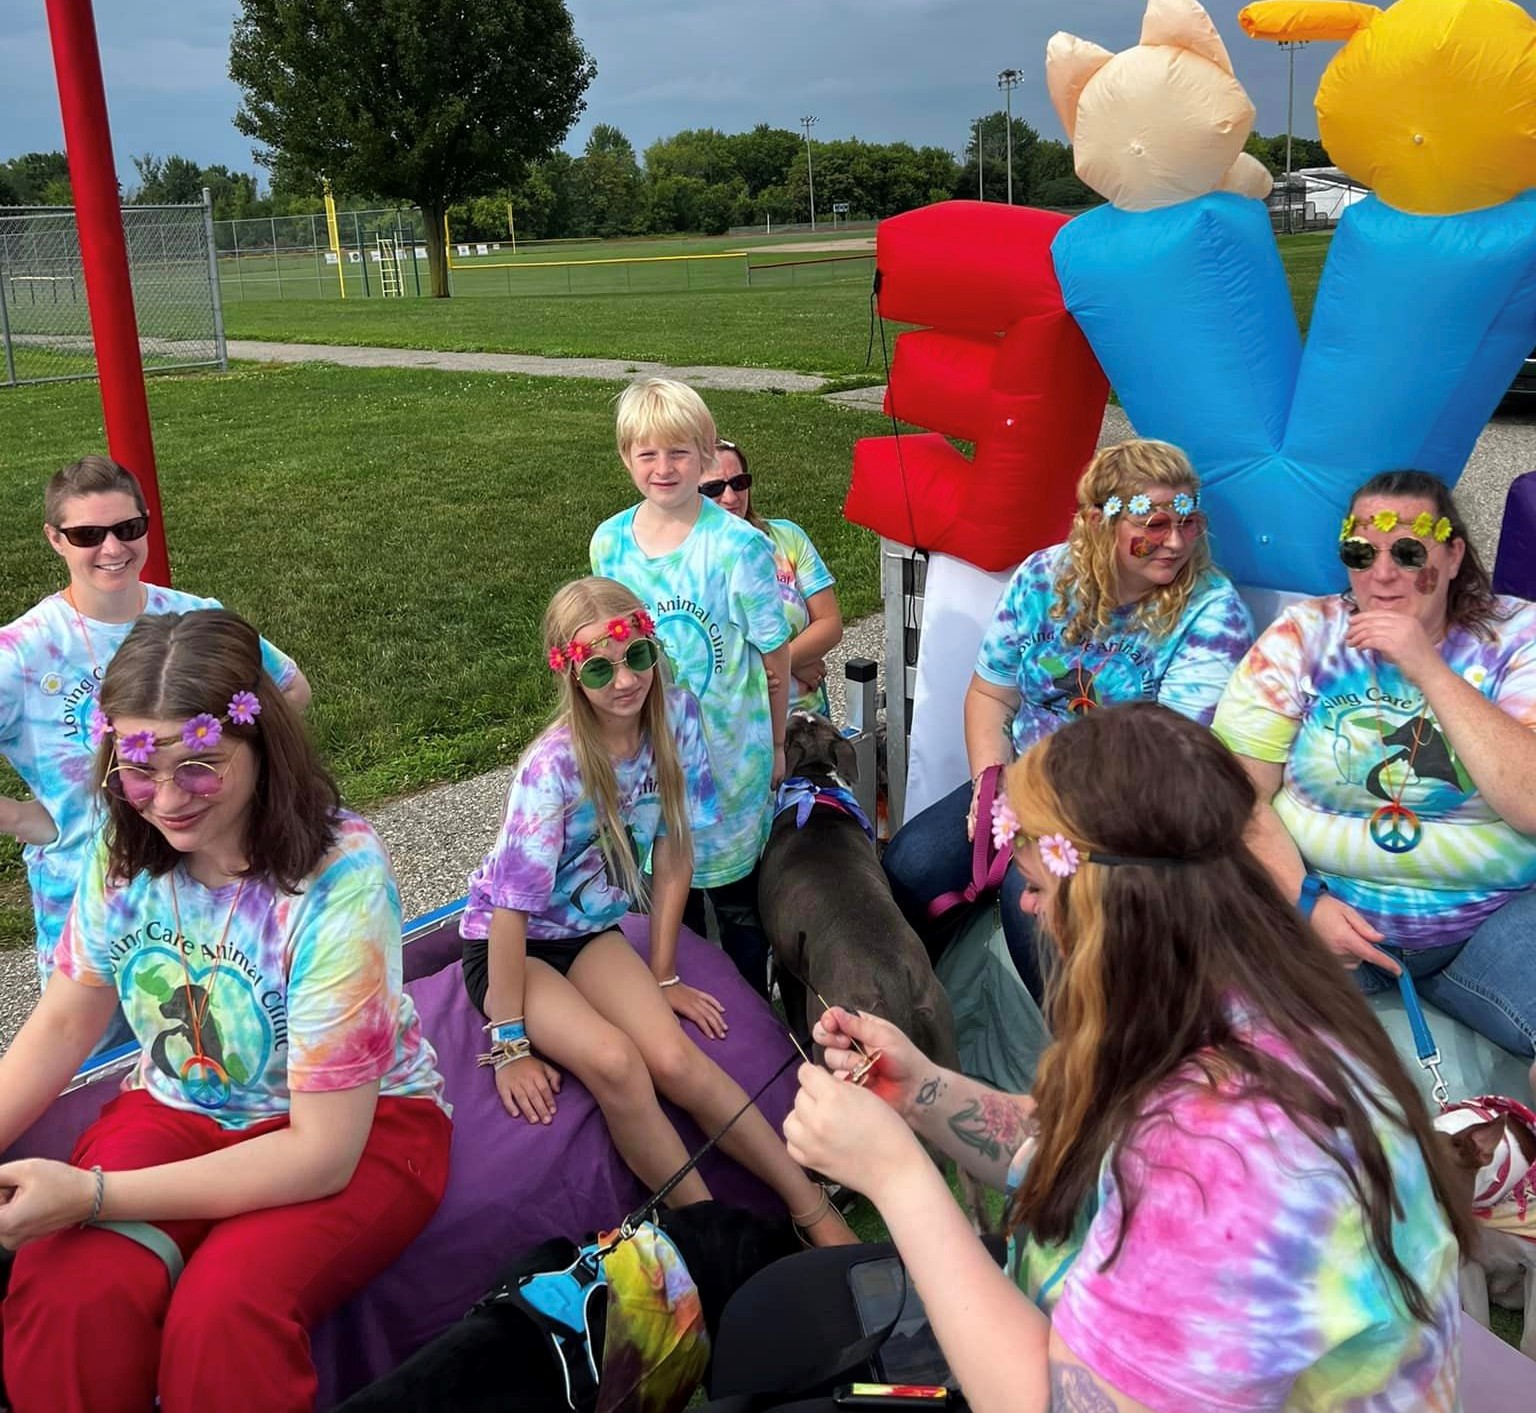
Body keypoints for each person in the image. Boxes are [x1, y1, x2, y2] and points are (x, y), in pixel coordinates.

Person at [718, 703, 1466, 1411]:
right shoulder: (1215, 993)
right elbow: (1081, 1145)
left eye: (1039, 887)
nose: (1031, 908)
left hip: (1050, 1378)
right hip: (1068, 1321)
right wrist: (920, 1089)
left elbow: (1046, 1400)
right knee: (772, 1317)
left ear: (1114, 906)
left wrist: (898, 1174)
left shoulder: (1226, 1161)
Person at [0, 609, 450, 1412]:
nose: (166, 799)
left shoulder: (339, 878)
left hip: (362, 1124)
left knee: (224, 1318)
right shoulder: (122, 843)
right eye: (138, 768)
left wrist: (95, 1194)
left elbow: (322, 1155)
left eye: (200, 766)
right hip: (181, 1105)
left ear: (261, 746)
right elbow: (68, 1018)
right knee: (69, 1294)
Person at [460, 577, 851, 1246]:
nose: (624, 681)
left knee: (675, 1059)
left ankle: (809, 1203)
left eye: (637, 657)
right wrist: (509, 1043)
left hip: (587, 931)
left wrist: (664, 972)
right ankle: (716, 1238)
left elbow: (674, 853)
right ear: (569, 673)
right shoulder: (549, 768)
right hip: (511, 944)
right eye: (600, 667)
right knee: (616, 1061)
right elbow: (509, 911)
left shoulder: (677, 716)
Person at [881, 439, 1253, 996]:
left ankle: (1081, 1061)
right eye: (1153, 525)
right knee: (909, 867)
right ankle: (920, 1011)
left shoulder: (1212, 611)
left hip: (1127, 809)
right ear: (1097, 523)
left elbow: (1169, 760)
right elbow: (991, 696)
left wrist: (1042, 816)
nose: (1175, 543)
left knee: (1031, 909)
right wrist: (990, 787)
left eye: (1189, 523)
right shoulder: (1042, 578)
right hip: (1023, 780)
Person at [1215, 469, 1536, 1081]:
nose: (1382, 573)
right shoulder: (1306, 635)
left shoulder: (1517, 637)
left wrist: (1428, 669)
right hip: (1325, 903)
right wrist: (1302, 901)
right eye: (1361, 553)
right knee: (1209, 1044)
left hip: (1489, 917)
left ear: (1453, 553)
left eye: (1408, 551)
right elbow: (1232, 793)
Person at [0, 456, 310, 1011]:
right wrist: (22, 819)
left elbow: (289, 689)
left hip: (212, 890)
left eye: (129, 528)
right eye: (88, 534)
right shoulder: (22, 652)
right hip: (90, 904)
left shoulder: (194, 618)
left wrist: (245, 774)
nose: (114, 548)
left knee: (225, 1046)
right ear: (55, 539)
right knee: (96, 1069)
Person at [591, 380, 792, 998]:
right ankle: (675, 994)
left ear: (706, 454)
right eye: (647, 454)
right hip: (647, 760)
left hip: (730, 764)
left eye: (679, 452)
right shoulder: (610, 544)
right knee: (659, 896)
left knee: (736, 906)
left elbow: (774, 659)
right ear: (626, 457)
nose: (663, 468)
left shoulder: (740, 548)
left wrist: (778, 744)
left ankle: (755, 1020)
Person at [709, 437, 844, 716]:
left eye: (738, 483)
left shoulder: (787, 537)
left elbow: (830, 623)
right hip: (738, 728)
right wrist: (796, 663)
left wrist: (785, 661)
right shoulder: (691, 563)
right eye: (713, 488)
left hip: (806, 719)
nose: (731, 498)